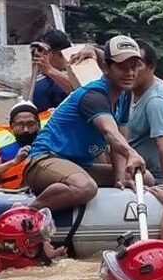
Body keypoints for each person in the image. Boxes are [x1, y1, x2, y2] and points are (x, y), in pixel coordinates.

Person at [24, 36, 148, 212]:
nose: (130, 73)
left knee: (145, 178)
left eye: (134, 67)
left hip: (80, 165)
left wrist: (120, 178)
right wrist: (131, 153)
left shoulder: (125, 94)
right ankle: (28, 211)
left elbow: (120, 137)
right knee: (85, 188)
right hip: (45, 159)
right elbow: (109, 132)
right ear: (106, 67)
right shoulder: (94, 95)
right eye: (122, 67)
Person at [120, 40, 163, 185]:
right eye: (126, 66)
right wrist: (94, 52)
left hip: (149, 177)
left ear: (151, 67)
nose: (131, 71)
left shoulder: (156, 101)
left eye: (137, 66)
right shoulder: (132, 89)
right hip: (129, 164)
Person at [0, 101, 43, 189]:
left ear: (38, 125)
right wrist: (14, 161)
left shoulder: (50, 145)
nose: (26, 129)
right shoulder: (2, 154)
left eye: (31, 124)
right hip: (11, 195)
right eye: (20, 124)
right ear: (12, 127)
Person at [0, 206, 68, 273]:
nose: (49, 242)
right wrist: (54, 260)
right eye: (44, 239)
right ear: (30, 252)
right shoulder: (32, 270)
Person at [30, 29, 75, 113]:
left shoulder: (77, 74)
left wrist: (49, 70)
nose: (40, 55)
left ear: (59, 54)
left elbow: (80, 91)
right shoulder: (33, 80)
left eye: (45, 51)